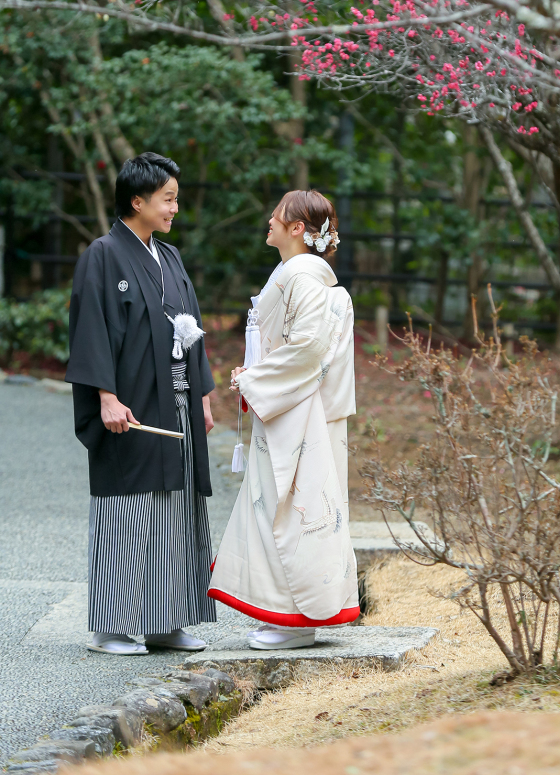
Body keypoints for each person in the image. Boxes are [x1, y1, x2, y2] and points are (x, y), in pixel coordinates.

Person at [66, 152, 217, 655]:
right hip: (130, 405)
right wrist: (105, 396)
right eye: (168, 199)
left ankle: (164, 620)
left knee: (174, 510)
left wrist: (205, 395)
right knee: (128, 509)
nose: (176, 207)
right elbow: (92, 331)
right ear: (137, 200)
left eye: (175, 198)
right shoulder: (103, 255)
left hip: (175, 401)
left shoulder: (169, 258)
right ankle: (112, 625)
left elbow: (190, 330)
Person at [208, 190, 359, 649]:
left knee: (292, 506)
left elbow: (308, 348)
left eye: (276, 218)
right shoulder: (302, 275)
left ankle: (297, 617)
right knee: (280, 503)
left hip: (299, 411)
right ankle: (288, 614)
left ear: (297, 229)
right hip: (293, 404)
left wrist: (256, 377)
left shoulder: (303, 279)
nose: (268, 223)